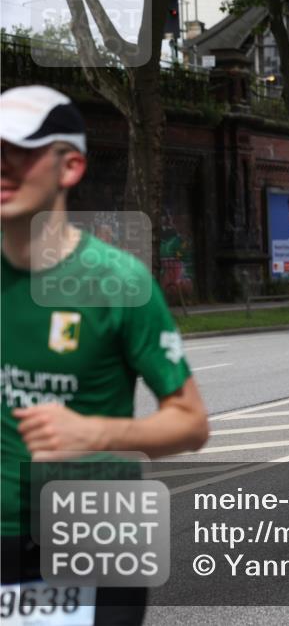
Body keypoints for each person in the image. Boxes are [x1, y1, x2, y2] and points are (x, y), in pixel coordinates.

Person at [1, 85, 210, 622]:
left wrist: (94, 434)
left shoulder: (119, 283)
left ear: (70, 167)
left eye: (19, 151)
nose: (2, 165)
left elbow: (190, 424)